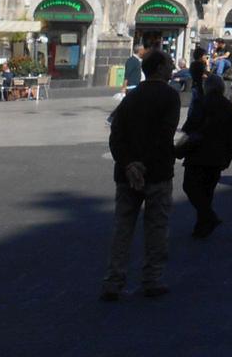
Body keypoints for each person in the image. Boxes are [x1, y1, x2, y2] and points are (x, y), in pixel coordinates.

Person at [100, 49, 181, 300]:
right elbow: (164, 136)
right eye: (168, 65)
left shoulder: (131, 97)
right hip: (156, 173)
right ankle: (151, 279)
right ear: (158, 69)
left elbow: (116, 134)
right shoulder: (170, 96)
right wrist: (143, 164)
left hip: (127, 175)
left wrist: (128, 163)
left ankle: (114, 281)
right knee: (156, 227)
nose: (171, 69)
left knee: (122, 228)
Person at [179, 74, 232, 239]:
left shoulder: (201, 102)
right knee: (207, 192)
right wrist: (228, 157)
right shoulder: (227, 105)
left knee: (190, 187)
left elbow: (190, 127)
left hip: (198, 154)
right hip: (217, 156)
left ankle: (208, 218)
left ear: (207, 87)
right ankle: (202, 225)